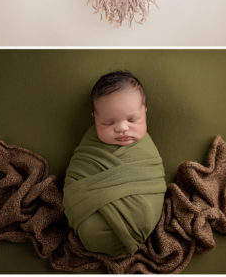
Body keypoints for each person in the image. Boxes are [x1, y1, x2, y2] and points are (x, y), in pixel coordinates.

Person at [63, 71, 166, 255]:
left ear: (145, 111)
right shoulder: (90, 146)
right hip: (88, 221)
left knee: (144, 213)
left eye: (133, 120)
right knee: (89, 225)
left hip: (139, 222)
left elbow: (153, 180)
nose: (122, 128)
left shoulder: (145, 149)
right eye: (108, 123)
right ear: (95, 117)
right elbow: (76, 181)